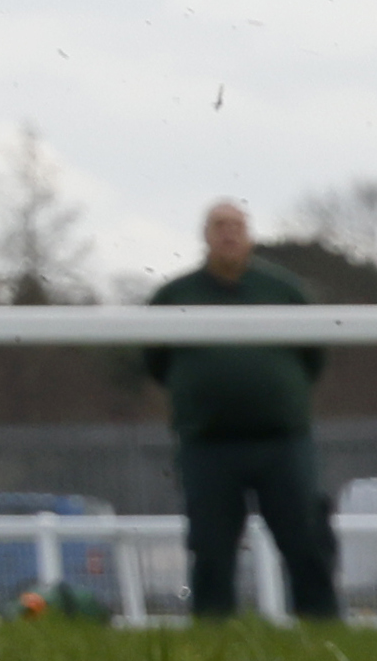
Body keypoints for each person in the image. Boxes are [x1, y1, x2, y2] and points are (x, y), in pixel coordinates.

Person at [139, 199, 343, 624]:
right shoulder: (175, 295)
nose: (228, 233)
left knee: (305, 539)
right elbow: (154, 359)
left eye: (237, 225)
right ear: (206, 235)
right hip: (207, 445)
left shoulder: (284, 290)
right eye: (219, 225)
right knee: (210, 547)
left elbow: (314, 355)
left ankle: (322, 628)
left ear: (249, 234)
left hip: (282, 442)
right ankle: (213, 639)